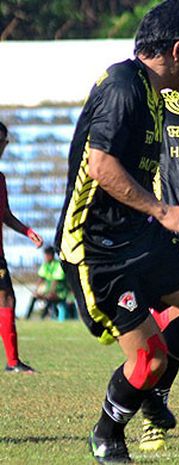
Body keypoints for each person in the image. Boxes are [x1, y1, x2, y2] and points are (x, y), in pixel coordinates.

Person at [54, 2, 179, 463]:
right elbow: (101, 165)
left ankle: (150, 385)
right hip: (98, 249)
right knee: (148, 358)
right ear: (177, 50)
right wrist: (164, 210)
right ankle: (108, 433)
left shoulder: (153, 92)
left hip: (140, 235)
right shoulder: (123, 87)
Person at [0, 121, 44, 373]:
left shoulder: (1, 179)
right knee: (6, 298)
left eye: (2, 142)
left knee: (7, 299)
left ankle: (13, 361)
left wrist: (27, 232)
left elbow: (5, 213)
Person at [25, 245, 72, 321]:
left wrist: (49, 292)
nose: (45, 257)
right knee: (34, 297)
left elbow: (56, 281)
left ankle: (42, 318)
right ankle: (27, 317)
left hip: (61, 292)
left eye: (47, 255)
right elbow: (41, 278)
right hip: (49, 291)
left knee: (49, 298)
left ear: (51, 255)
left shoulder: (58, 265)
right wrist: (36, 290)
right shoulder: (45, 265)